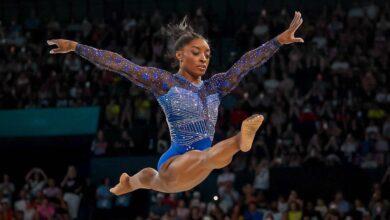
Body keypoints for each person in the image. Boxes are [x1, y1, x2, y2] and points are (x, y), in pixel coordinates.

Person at [47, 12, 304, 194]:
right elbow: (121, 65)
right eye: (196, 52)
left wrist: (278, 41)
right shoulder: (164, 82)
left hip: (201, 163)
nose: (204, 58)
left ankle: (130, 183)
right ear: (179, 55)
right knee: (181, 166)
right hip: (175, 162)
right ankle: (239, 142)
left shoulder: (215, 86)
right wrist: (76, 46)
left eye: (207, 54)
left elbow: (245, 64)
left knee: (161, 175)